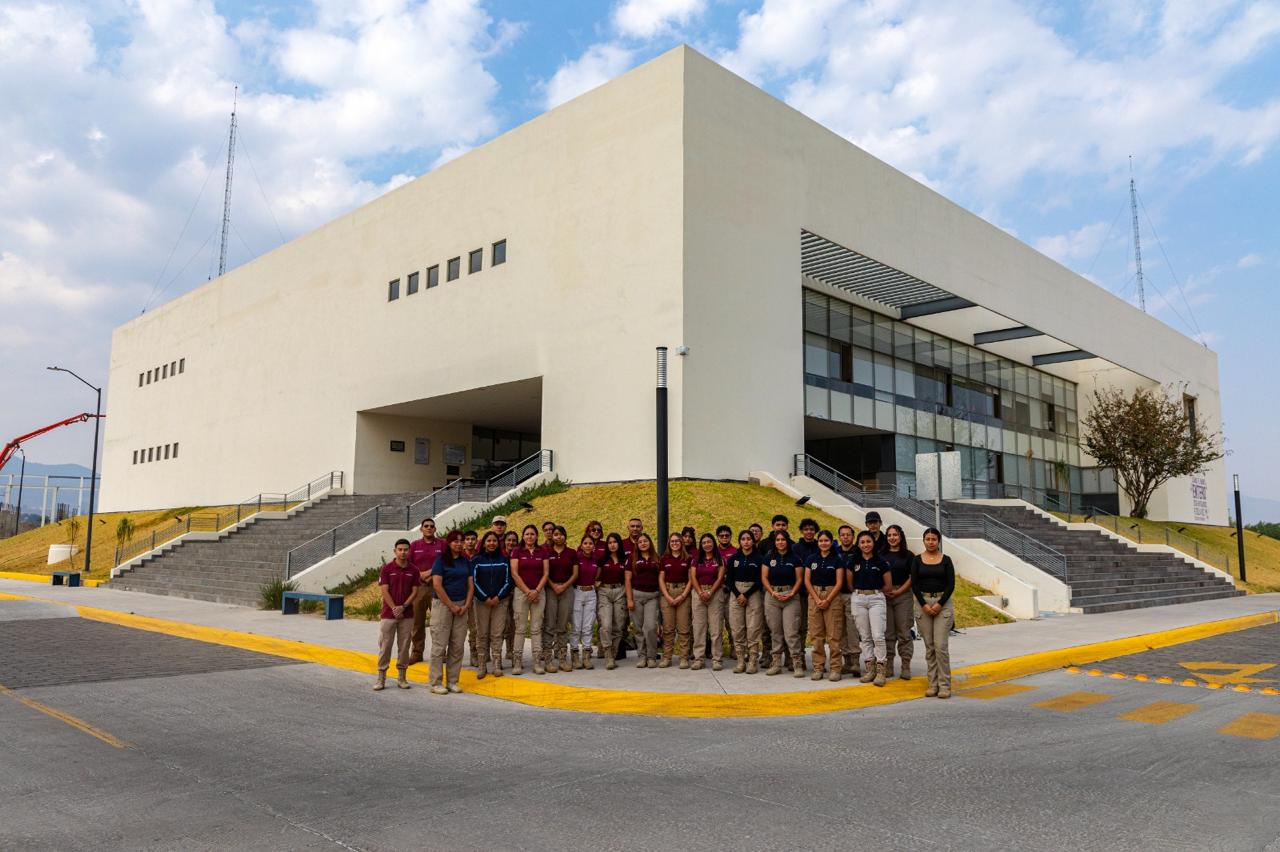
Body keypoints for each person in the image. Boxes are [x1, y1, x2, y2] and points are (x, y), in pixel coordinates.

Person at [911, 527, 956, 699]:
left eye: (933, 539)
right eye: (927, 539)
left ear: (938, 541)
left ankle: (944, 685)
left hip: (942, 605)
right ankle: (932, 683)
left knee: (940, 647)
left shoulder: (946, 560)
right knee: (929, 647)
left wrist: (939, 604)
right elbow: (914, 585)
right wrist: (924, 604)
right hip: (922, 604)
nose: (930, 542)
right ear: (924, 540)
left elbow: (951, 585)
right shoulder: (916, 560)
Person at [429, 531, 473, 695]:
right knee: (439, 646)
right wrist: (451, 605)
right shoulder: (440, 561)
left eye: (461, 541)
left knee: (457, 646)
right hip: (443, 606)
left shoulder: (465, 561)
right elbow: (437, 585)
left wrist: (466, 605)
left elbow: (470, 585)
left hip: (462, 606)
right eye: (455, 541)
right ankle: (435, 682)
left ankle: (452, 681)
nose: (459, 544)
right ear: (448, 543)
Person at [375, 538, 421, 691]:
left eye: (406, 549)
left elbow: (415, 591)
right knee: (385, 646)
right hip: (388, 614)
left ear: (409, 551)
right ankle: (381, 677)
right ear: (395, 551)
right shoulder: (387, 568)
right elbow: (384, 590)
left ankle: (402, 677)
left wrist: (404, 607)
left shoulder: (414, 570)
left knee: (404, 646)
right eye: (400, 549)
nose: (403, 552)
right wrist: (395, 608)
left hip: (407, 615)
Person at [849, 530, 892, 687]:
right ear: (858, 544)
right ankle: (870, 669)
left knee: (878, 636)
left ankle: (881, 670)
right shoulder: (853, 561)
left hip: (876, 599)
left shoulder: (880, 561)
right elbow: (849, 582)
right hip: (858, 598)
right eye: (862, 542)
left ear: (873, 543)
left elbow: (888, 584)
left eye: (868, 541)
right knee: (865, 636)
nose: (865, 545)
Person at [804, 530, 846, 681]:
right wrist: (816, 598)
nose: (823, 543)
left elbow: (840, 582)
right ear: (818, 542)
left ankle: (835, 668)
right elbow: (807, 581)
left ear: (831, 542)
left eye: (826, 540)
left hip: (832, 596)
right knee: (816, 635)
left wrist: (827, 600)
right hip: (814, 595)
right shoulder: (811, 559)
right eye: (821, 541)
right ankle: (818, 667)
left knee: (834, 636)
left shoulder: (837, 559)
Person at [762, 530, 805, 677]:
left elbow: (799, 578)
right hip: (773, 596)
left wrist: (792, 592)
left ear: (787, 541)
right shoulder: (769, 557)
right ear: (774, 542)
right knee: (775, 632)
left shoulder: (795, 558)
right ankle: (776, 663)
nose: (780, 542)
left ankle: (797, 663)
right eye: (777, 540)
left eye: (783, 539)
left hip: (790, 597)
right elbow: (764, 577)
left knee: (791, 632)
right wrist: (772, 592)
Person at [509, 524, 549, 676]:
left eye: (533, 534)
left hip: (539, 593)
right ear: (523, 536)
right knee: (520, 628)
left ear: (537, 536)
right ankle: (517, 662)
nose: (530, 537)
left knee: (536, 628)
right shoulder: (517, 551)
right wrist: (527, 591)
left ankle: (537, 662)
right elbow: (514, 573)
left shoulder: (542, 551)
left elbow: (546, 573)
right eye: (527, 534)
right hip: (521, 593)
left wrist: (537, 590)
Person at [471, 531, 511, 679]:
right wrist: (485, 597)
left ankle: (496, 663)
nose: (492, 543)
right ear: (484, 543)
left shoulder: (504, 559)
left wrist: (498, 597)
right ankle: (482, 665)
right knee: (481, 634)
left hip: (500, 602)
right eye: (489, 541)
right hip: (482, 602)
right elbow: (473, 582)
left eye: (494, 541)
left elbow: (508, 581)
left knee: (497, 633)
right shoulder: (477, 560)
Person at [408, 518, 446, 665]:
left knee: (438, 623)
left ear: (435, 529)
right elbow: (409, 564)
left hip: (437, 587)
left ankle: (441, 653)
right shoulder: (415, 545)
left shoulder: (442, 544)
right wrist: (420, 574)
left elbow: (445, 561)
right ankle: (417, 653)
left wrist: (430, 572)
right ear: (421, 529)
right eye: (426, 526)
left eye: (431, 526)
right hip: (419, 588)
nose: (429, 528)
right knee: (417, 623)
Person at [542, 525, 578, 673]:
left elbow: (575, 573)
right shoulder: (546, 552)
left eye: (561, 534)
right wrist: (553, 585)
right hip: (551, 590)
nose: (558, 537)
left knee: (563, 625)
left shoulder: (571, 553)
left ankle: (562, 659)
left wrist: (564, 586)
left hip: (567, 590)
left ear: (565, 537)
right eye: (556, 534)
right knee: (549, 625)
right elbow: (545, 572)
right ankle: (549, 660)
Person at [726, 531, 764, 673]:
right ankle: (741, 660)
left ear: (753, 541)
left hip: (753, 593)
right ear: (739, 541)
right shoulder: (734, 558)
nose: (746, 542)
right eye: (743, 539)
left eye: (749, 539)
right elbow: (728, 579)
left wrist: (746, 594)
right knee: (737, 628)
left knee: (753, 628)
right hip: (736, 592)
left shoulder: (759, 558)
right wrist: (738, 594)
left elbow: (761, 579)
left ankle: (753, 661)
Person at [881, 524, 914, 680]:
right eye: (889, 535)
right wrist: (886, 590)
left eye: (895, 535)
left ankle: (906, 665)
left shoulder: (908, 555)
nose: (892, 538)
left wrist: (899, 591)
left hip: (903, 595)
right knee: (888, 633)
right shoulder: (881, 555)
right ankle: (889, 665)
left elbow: (912, 577)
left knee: (904, 632)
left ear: (900, 537)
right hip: (885, 595)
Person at [690, 532, 726, 670]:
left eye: (709, 542)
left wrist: (710, 592)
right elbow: (693, 577)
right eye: (704, 542)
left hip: (715, 593)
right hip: (698, 593)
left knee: (716, 628)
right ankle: (699, 658)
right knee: (699, 627)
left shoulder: (720, 559)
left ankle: (717, 659)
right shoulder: (696, 559)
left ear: (713, 543)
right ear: (701, 544)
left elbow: (720, 577)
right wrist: (700, 592)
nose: (707, 545)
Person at [624, 532, 661, 668]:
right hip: (636, 596)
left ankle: (651, 656)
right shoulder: (631, 558)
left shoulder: (656, 558)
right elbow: (627, 579)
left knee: (650, 627)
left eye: (645, 541)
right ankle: (642, 656)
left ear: (650, 542)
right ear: (637, 545)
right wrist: (629, 599)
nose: (643, 543)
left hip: (652, 596)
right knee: (638, 628)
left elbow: (661, 578)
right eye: (640, 542)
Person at [658, 532, 693, 669]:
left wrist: (683, 595)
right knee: (668, 629)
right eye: (672, 541)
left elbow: (691, 579)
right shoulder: (664, 558)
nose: (674, 543)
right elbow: (661, 578)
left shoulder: (688, 558)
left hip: (683, 593)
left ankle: (684, 658)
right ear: (669, 544)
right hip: (668, 592)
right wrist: (667, 596)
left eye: (677, 541)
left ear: (682, 543)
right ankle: (667, 657)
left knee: (684, 628)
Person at [596, 533, 629, 670]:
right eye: (610, 542)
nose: (612, 545)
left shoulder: (624, 560)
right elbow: (597, 577)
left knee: (619, 625)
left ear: (619, 544)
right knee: (606, 624)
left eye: (615, 542)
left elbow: (627, 578)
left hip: (620, 591)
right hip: (605, 591)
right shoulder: (602, 560)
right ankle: (607, 653)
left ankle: (613, 653)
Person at [835, 524, 861, 679]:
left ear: (853, 536)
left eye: (848, 535)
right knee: (840, 629)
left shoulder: (858, 552)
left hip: (852, 595)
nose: (845, 537)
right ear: (839, 537)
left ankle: (856, 661)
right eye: (842, 535)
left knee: (852, 628)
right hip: (837, 595)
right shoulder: (835, 552)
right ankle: (846, 661)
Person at [571, 535, 599, 669]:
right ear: (581, 545)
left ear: (593, 546)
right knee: (576, 626)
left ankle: (586, 656)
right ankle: (575, 656)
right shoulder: (576, 558)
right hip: (578, 592)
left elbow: (598, 575)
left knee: (588, 626)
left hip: (591, 593)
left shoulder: (595, 559)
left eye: (590, 543)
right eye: (585, 543)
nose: (588, 545)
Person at [716, 524, 738, 660]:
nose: (724, 538)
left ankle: (735, 649)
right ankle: (716, 650)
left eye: (727, 535)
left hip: (731, 592)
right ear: (717, 537)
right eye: (721, 536)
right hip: (717, 591)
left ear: (730, 536)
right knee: (716, 623)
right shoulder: (713, 552)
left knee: (732, 623)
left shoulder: (735, 552)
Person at [500, 529, 521, 668]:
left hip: (516, 591)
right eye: (509, 540)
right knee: (502, 623)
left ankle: (511, 651)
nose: (511, 542)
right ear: (505, 542)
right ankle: (497, 653)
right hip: (502, 592)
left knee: (514, 622)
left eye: (514, 540)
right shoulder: (500, 555)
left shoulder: (519, 554)